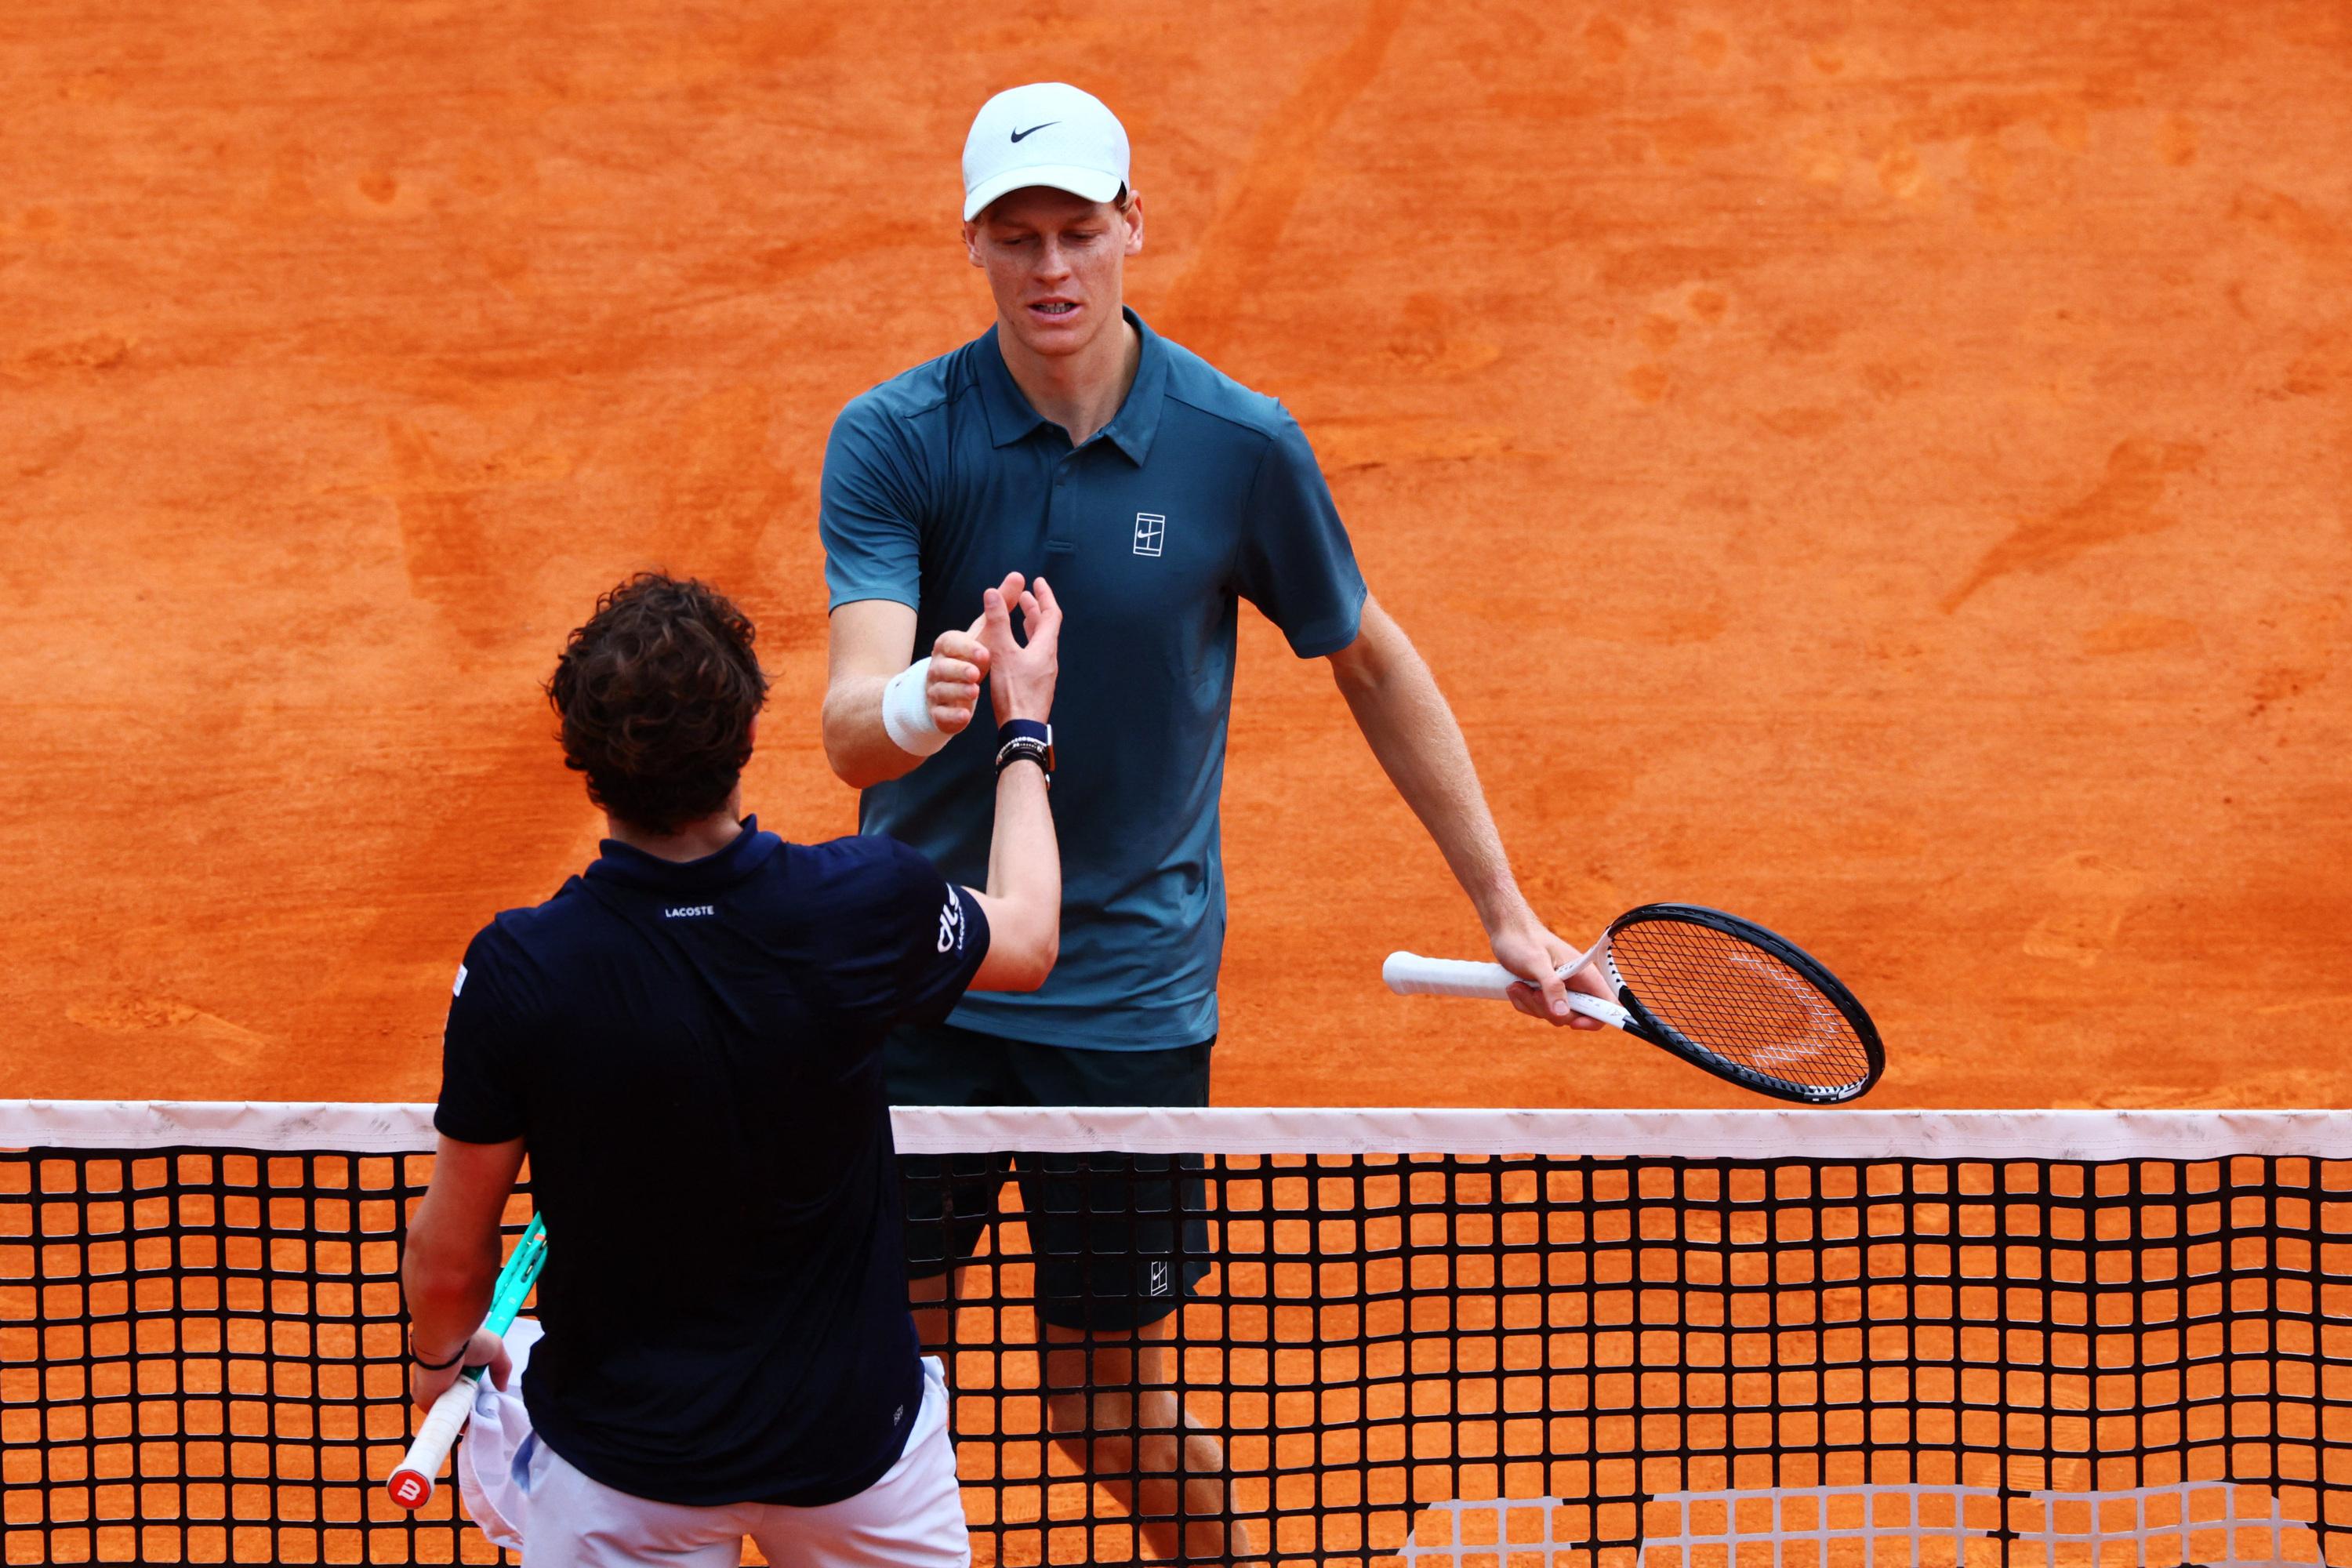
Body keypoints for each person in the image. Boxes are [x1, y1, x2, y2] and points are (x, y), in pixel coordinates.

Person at [817, 82, 1613, 1563]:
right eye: (1017, 238)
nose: (1052, 269)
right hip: (918, 972)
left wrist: (1504, 910)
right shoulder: (898, 439)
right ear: (974, 247)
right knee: (878, 1389)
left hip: (1126, 999)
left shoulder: (1238, 447)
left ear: (1133, 227)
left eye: (1077, 231)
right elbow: (846, 716)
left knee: (1102, 1408)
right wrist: (925, 706)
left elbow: (1368, 653)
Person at [400, 568, 1064, 1567]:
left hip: (623, 1470)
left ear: (584, 760)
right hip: (857, 1449)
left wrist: (441, 1363)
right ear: (749, 734)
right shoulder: (862, 902)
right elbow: (1029, 936)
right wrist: (1023, 731)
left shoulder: (519, 970)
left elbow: (452, 1259)